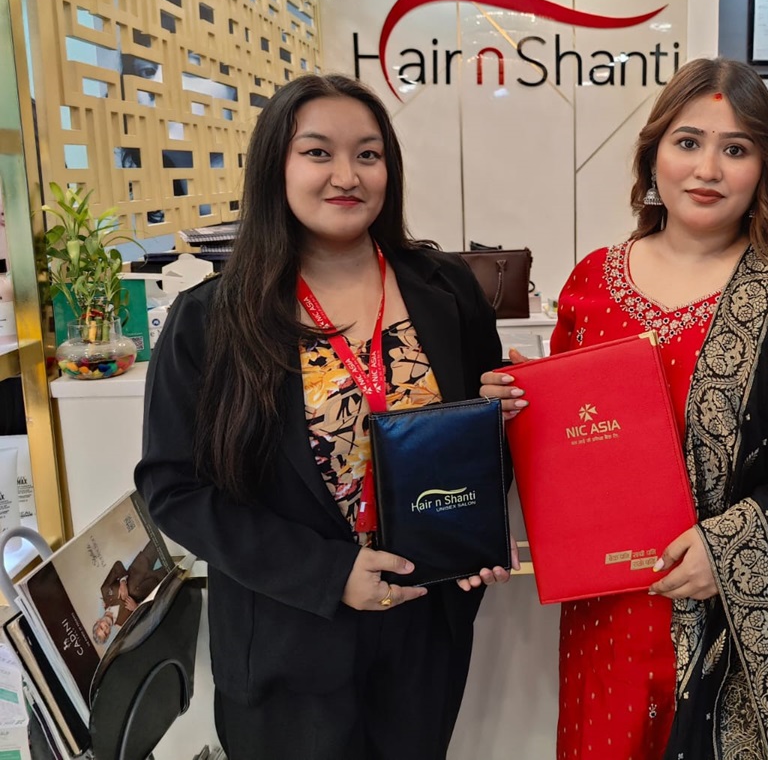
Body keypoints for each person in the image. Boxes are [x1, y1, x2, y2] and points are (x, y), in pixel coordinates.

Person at [483, 58, 768, 759]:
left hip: (736, 624)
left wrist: (730, 548)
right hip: (609, 610)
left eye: (735, 149)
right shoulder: (593, 282)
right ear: (653, 156)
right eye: (688, 142)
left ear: (763, 168)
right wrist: (515, 410)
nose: (708, 169)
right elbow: (572, 445)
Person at [136, 73, 514, 759]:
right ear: (275, 166)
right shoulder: (212, 318)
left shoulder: (446, 289)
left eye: (368, 154)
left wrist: (471, 532)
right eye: (318, 153)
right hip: (289, 640)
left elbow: (483, 443)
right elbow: (174, 488)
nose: (347, 175)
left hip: (422, 633)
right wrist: (327, 573)